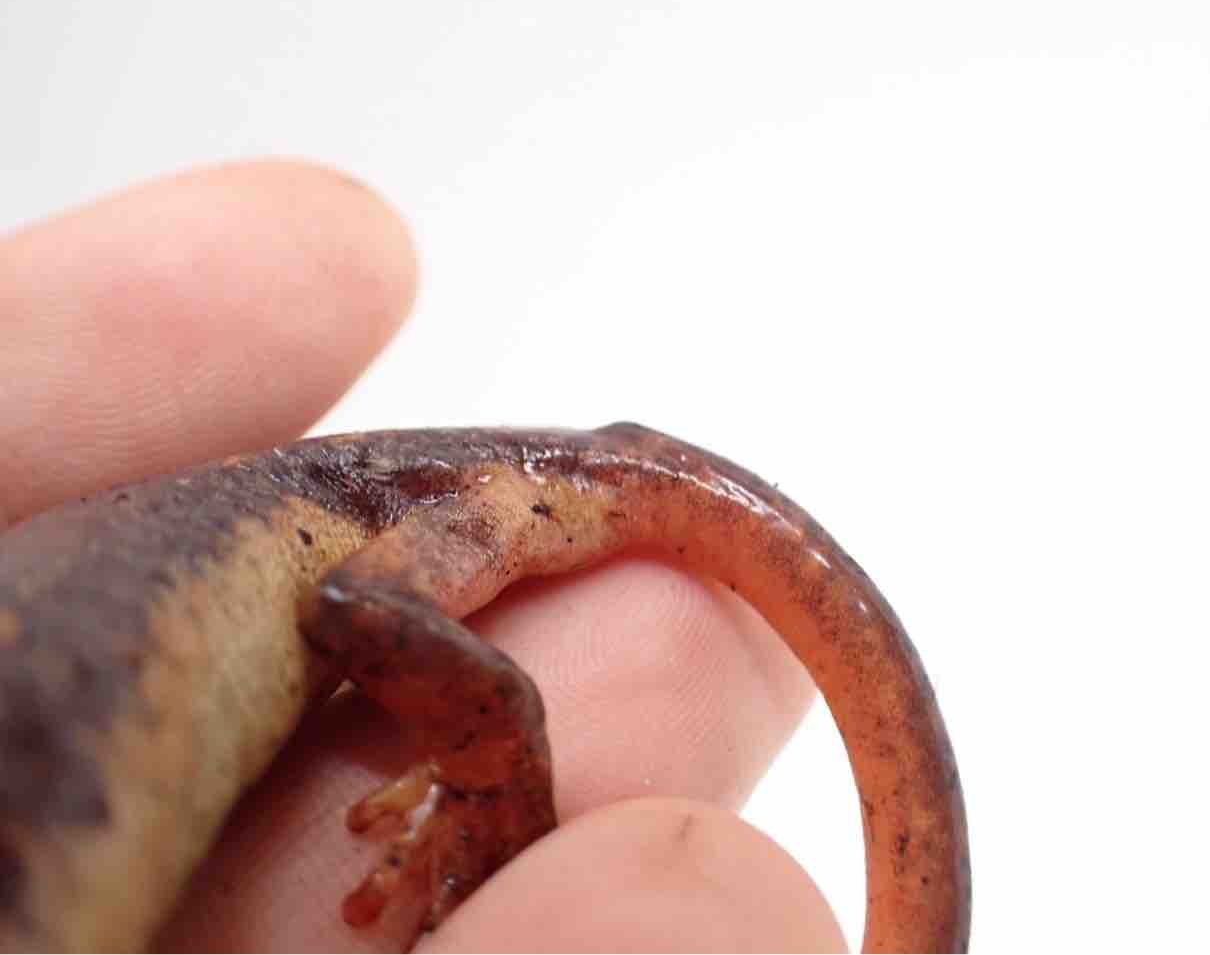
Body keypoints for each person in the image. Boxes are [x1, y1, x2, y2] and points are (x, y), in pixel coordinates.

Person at [1, 161, 846, 951]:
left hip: (253, 549)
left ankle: (493, 772)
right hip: (157, 594)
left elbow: (365, 607)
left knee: (366, 610)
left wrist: (492, 766)